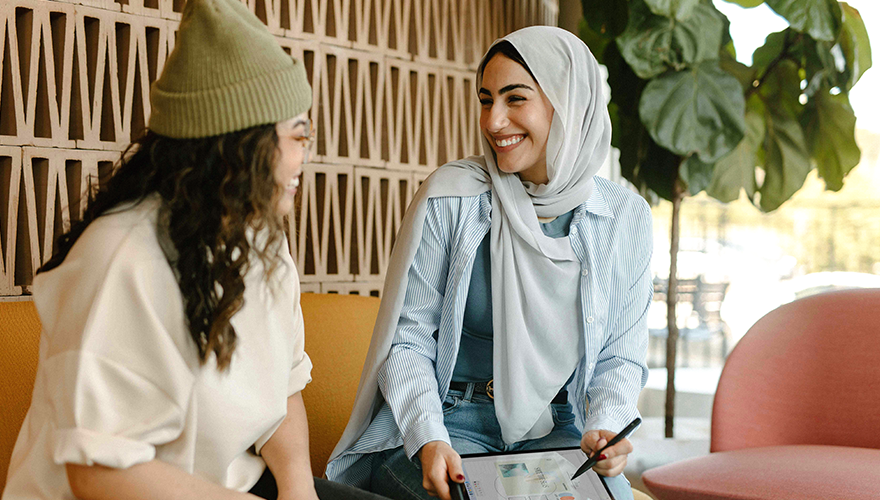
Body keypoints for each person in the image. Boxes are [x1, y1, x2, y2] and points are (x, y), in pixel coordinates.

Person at [1, 0, 389, 499]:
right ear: (239, 146)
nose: (303, 159)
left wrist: (298, 491)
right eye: (297, 138)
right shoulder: (122, 257)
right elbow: (100, 472)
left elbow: (285, 389)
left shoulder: (262, 238)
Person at [325, 26, 652, 500]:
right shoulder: (452, 197)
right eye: (485, 99)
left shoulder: (624, 218)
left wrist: (606, 429)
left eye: (515, 99)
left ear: (569, 103)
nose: (494, 122)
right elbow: (408, 339)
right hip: (448, 422)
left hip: (557, 428)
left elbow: (620, 357)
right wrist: (428, 439)